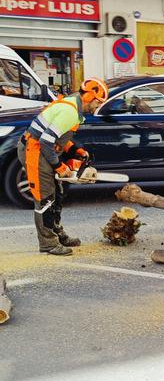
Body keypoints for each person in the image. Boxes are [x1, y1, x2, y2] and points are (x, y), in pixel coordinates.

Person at [17, 78, 109, 255]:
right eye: (98, 102)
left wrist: (76, 149)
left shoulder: (74, 106)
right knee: (45, 198)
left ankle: (56, 233)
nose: (97, 106)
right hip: (34, 150)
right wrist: (59, 166)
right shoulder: (70, 110)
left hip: (43, 149)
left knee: (57, 193)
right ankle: (48, 243)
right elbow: (45, 141)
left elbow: (58, 136)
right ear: (90, 96)